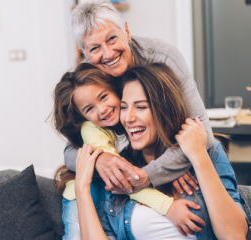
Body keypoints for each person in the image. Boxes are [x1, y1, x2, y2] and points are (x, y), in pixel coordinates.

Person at [74, 63, 248, 240]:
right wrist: (81, 188)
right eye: (124, 107)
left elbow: (234, 235)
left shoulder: (208, 152)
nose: (128, 118)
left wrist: (198, 156)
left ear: (164, 109)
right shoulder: (120, 168)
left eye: (141, 107)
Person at [64, 0, 212, 196]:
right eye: (94, 48)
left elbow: (203, 135)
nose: (108, 54)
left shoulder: (164, 58)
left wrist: (152, 172)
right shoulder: (87, 80)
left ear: (126, 30)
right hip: (130, 168)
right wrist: (100, 160)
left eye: (111, 39)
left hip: (173, 164)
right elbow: (70, 152)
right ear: (85, 54)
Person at [53, 63, 204, 239]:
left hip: (112, 194)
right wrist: (167, 206)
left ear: (115, 90)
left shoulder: (130, 120)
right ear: (82, 116)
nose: (102, 110)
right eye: (89, 109)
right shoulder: (92, 130)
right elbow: (123, 179)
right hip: (82, 195)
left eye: (103, 97)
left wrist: (173, 168)